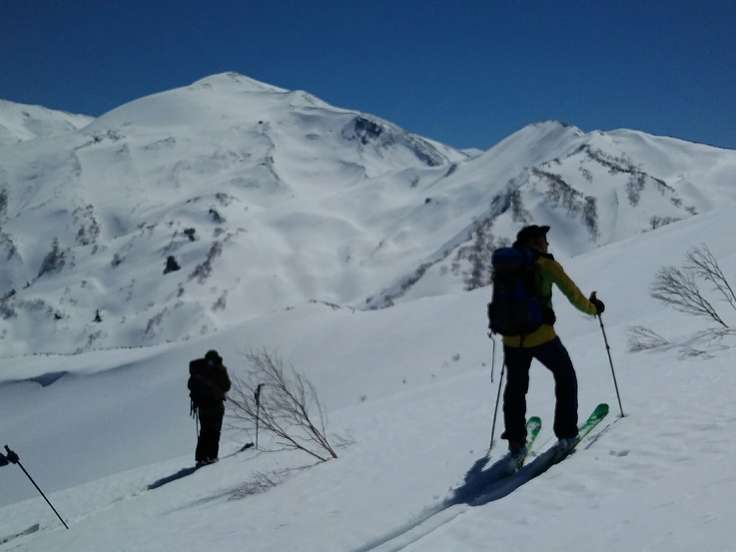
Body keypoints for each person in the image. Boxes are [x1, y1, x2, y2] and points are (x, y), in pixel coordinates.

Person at [497, 225, 604, 459]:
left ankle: (516, 444)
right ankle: (566, 434)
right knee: (565, 376)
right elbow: (573, 295)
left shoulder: (507, 264)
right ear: (536, 243)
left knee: (515, 389)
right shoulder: (546, 265)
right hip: (541, 336)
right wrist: (594, 309)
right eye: (544, 240)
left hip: (512, 339)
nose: (547, 244)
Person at [188, 349, 231, 467]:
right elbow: (227, 386)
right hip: (216, 406)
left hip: (203, 407)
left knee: (205, 431)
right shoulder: (219, 370)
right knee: (214, 432)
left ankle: (201, 457)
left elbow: (190, 385)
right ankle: (212, 456)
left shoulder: (199, 370)